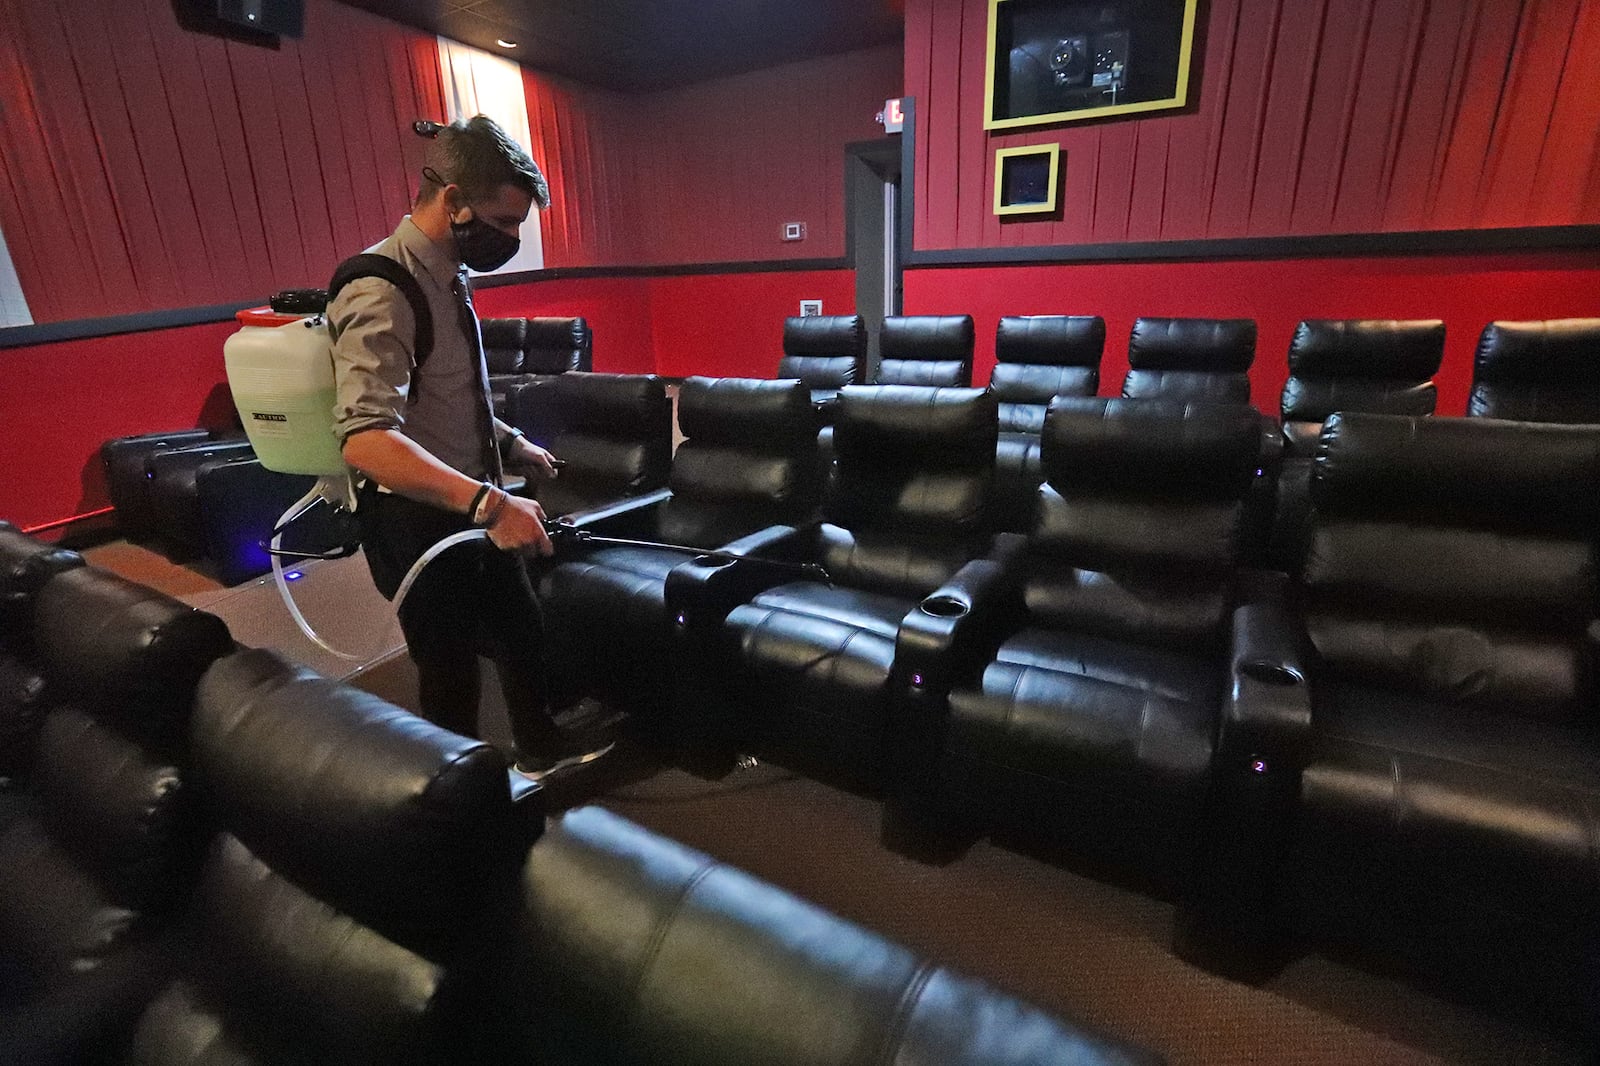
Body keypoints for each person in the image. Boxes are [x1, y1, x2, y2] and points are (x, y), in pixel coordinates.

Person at [327, 115, 611, 781]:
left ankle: (540, 746)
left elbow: (450, 396)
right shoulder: (381, 287)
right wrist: (488, 504)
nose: (511, 240)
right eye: (504, 222)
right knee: (449, 670)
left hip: (472, 498)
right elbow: (367, 441)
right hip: (417, 516)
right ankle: (456, 797)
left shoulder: (448, 274)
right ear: (453, 201)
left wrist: (513, 446)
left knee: (521, 630)